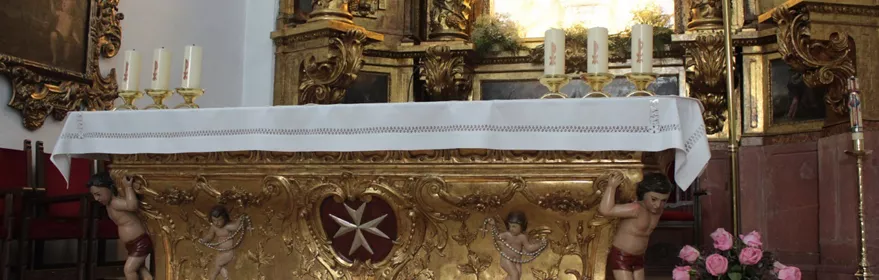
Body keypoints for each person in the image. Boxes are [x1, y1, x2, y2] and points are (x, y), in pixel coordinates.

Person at [598, 172, 672, 280]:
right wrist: (611, 187)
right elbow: (606, 210)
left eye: (663, 200)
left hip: (639, 257)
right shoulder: (636, 209)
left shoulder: (658, 210)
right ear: (644, 194)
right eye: (654, 199)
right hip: (622, 256)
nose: (658, 205)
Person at [88, 172, 153, 280]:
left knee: (129, 270)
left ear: (109, 188)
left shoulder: (115, 203)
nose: (96, 199)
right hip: (131, 244)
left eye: (98, 194)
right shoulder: (109, 204)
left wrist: (128, 187)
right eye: (94, 195)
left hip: (139, 242)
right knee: (141, 269)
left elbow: (132, 206)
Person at [488, 211, 547, 280]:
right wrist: (493, 225)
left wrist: (540, 244)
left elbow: (529, 248)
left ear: (522, 227)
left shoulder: (522, 237)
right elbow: (497, 237)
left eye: (514, 226)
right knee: (514, 274)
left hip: (517, 261)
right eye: (510, 226)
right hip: (506, 259)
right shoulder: (507, 235)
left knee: (517, 275)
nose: (511, 229)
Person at [199, 205, 245, 280]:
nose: (217, 223)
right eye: (214, 220)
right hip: (220, 252)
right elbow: (210, 236)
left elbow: (236, 226)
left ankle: (212, 278)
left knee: (218, 264)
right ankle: (226, 278)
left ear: (225, 218)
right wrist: (204, 240)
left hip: (228, 252)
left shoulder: (227, 226)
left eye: (219, 220)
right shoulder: (214, 227)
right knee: (219, 265)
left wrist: (240, 219)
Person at [49, 0, 81, 66]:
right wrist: (51, 3)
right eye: (63, 3)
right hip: (58, 34)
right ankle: (54, 57)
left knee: (67, 53)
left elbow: (73, 32)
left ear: (71, 7)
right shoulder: (61, 13)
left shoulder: (72, 19)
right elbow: (53, 12)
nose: (63, 4)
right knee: (53, 35)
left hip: (66, 39)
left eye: (65, 4)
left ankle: (64, 60)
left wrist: (78, 41)